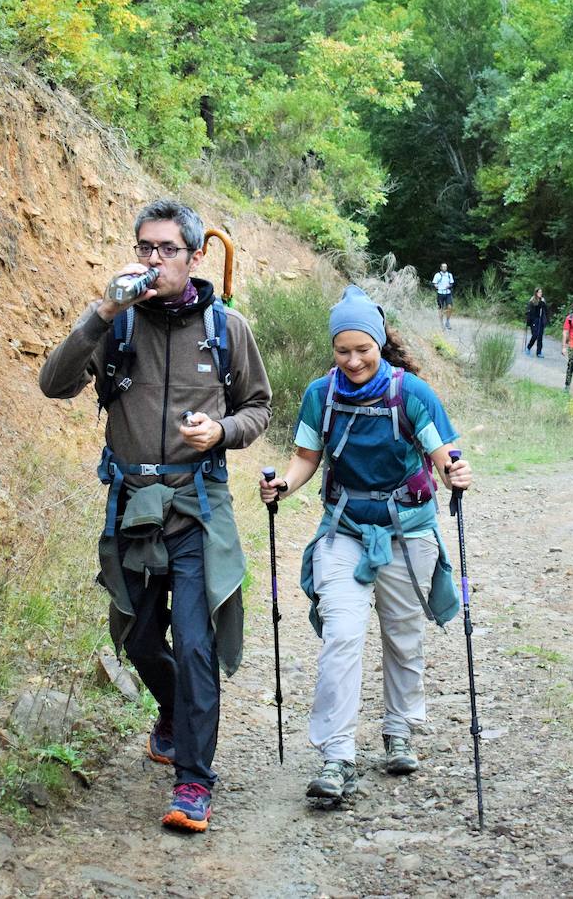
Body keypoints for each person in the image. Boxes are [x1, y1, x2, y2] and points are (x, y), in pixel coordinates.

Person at [39, 198, 272, 833]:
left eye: (166, 249)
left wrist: (221, 431)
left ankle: (193, 782)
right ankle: (173, 711)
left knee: (196, 645)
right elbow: (52, 384)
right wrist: (101, 312)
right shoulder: (117, 326)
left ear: (196, 257)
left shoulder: (228, 329)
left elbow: (258, 408)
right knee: (137, 639)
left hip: (197, 506)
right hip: (132, 507)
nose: (152, 260)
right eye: (144, 247)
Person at [257, 285, 472, 805]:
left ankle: (399, 730)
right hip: (345, 529)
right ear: (333, 348)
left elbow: (443, 457)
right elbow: (308, 456)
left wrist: (455, 473)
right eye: (343, 350)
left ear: (379, 344)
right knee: (342, 635)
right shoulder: (321, 394)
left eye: (363, 349)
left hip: (408, 530)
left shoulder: (411, 393)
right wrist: (284, 484)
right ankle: (337, 757)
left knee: (402, 635)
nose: (353, 360)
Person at [525, 289, 549, 357]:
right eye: (539, 292)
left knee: (540, 336)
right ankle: (528, 347)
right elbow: (528, 310)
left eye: (541, 292)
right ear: (536, 293)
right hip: (534, 320)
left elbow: (545, 309)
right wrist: (528, 320)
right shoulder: (532, 300)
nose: (540, 293)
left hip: (540, 320)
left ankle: (539, 352)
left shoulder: (542, 300)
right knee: (535, 335)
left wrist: (543, 302)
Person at [432, 263, 455, 330]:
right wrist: (436, 286)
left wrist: (449, 286)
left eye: (446, 267)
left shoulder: (449, 275)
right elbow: (434, 283)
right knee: (440, 309)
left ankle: (447, 322)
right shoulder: (437, 275)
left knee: (450, 307)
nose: (445, 268)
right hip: (440, 293)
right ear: (441, 268)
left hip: (448, 293)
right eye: (443, 267)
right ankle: (441, 324)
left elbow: (451, 283)